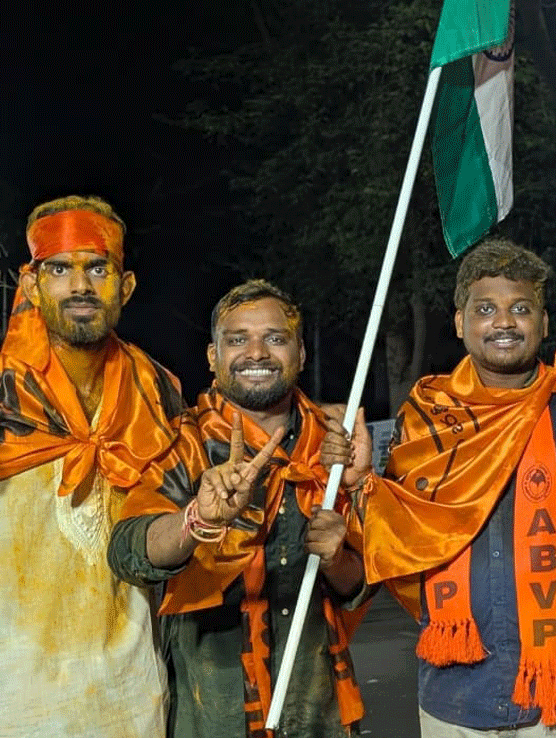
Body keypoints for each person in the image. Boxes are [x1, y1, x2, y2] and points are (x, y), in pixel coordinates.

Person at [359, 239, 556, 737]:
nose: (504, 322)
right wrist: (361, 484)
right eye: (486, 309)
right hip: (457, 694)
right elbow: (399, 538)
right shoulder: (426, 421)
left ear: (544, 324)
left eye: (521, 308)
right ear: (460, 322)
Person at [109, 280, 371, 737]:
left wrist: (338, 556)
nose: (257, 353)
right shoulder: (183, 442)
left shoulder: (334, 450)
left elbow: (359, 584)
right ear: (213, 357)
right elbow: (128, 550)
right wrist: (198, 520)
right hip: (215, 716)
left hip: (319, 714)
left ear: (301, 354)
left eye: (275, 338)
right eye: (238, 339)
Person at [0, 195, 180, 736]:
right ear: (33, 285)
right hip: (8, 707)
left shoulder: (157, 392)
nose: (80, 285)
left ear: (125, 286)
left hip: (131, 702)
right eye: (59, 268)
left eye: (97, 268)